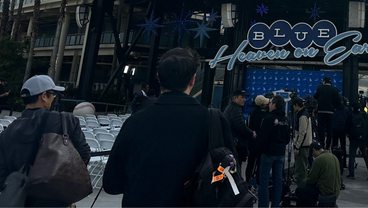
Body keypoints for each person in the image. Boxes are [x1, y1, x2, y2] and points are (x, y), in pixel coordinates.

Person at [104, 48, 234, 206]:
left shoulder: (135, 121)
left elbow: (112, 183)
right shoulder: (212, 121)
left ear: (158, 78)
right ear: (193, 80)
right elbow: (229, 174)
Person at [0, 75, 90, 207]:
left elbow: (2, 173)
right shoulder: (65, 121)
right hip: (56, 198)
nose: (54, 98)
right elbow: (84, 155)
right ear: (43, 96)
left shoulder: (8, 131)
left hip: (21, 200)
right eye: (53, 94)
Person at [257, 95, 289, 208]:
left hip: (268, 153)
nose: (269, 105)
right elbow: (287, 138)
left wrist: (259, 149)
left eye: (270, 103)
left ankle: (263, 206)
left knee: (264, 182)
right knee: (278, 182)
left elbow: (262, 137)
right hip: (280, 153)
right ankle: (275, 205)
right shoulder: (286, 120)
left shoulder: (268, 118)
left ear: (274, 105)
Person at [295, 141, 342, 207]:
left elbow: (311, 180)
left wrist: (302, 181)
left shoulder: (319, 159)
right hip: (336, 192)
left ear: (314, 150)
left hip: (325, 192)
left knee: (300, 191)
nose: (313, 156)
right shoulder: (333, 157)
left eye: (312, 154)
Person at [224, 89, 256, 175]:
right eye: (242, 97)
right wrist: (251, 133)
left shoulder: (232, 108)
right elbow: (240, 126)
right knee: (235, 169)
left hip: (232, 143)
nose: (244, 99)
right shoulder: (235, 109)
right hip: (235, 145)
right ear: (235, 98)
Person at [246, 94, 270, 182]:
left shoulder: (252, 113)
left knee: (250, 163)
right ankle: (257, 181)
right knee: (259, 164)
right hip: (260, 143)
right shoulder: (264, 114)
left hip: (252, 143)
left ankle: (248, 181)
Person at [314, 77, 341, 149]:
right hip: (330, 113)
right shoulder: (334, 90)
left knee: (321, 129)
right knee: (329, 130)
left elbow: (315, 96)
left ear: (324, 81)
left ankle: (322, 145)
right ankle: (328, 146)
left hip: (321, 112)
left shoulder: (320, 88)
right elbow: (338, 102)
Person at [292, 97, 313, 185]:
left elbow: (302, 133)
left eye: (293, 106)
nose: (293, 108)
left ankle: (302, 185)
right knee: (301, 166)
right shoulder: (304, 113)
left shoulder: (302, 116)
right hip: (304, 144)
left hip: (303, 146)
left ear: (297, 105)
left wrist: (297, 146)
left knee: (302, 167)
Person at [331, 97, 350, 175]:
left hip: (335, 129)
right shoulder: (346, 110)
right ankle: (344, 162)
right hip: (343, 130)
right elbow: (348, 120)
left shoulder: (334, 109)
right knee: (343, 146)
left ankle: (333, 161)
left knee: (334, 145)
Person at [346, 101, 365, 179]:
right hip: (362, 137)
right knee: (366, 156)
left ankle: (351, 173)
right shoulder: (363, 115)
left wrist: (348, 134)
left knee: (352, 156)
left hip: (353, 137)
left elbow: (347, 126)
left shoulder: (350, 115)